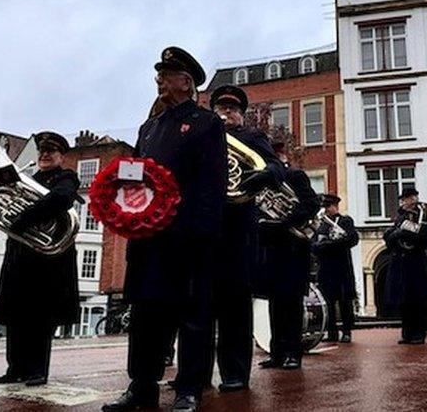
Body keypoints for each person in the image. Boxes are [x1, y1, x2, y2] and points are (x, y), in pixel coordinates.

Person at [102, 47, 227, 412]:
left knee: (191, 314)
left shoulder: (207, 123)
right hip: (148, 237)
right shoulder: (149, 127)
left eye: (166, 74)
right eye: (158, 74)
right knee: (145, 314)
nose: (158, 79)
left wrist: (203, 232)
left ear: (185, 82)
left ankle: (190, 388)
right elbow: (137, 176)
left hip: (187, 236)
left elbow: (212, 183)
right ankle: (141, 386)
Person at [206, 85, 285, 393]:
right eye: (222, 107)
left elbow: (276, 165)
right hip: (206, 224)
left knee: (235, 303)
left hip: (239, 227)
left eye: (233, 108)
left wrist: (267, 173)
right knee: (199, 304)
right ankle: (196, 373)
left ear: (241, 113)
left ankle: (235, 372)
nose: (227, 112)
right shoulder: (204, 137)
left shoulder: (252, 138)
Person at [0, 131, 81, 386]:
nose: (44, 155)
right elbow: (6, 206)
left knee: (41, 317)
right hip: (20, 255)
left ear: (62, 156)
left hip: (46, 260)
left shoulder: (66, 177)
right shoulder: (27, 179)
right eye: (42, 151)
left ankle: (37, 369)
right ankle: (15, 368)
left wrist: (25, 218)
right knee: (15, 315)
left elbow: (60, 198)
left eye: (51, 152)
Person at [258, 143, 320, 369]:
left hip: (294, 246)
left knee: (292, 303)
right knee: (275, 303)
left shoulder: (295, 175)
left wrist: (285, 223)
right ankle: (277, 353)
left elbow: (312, 204)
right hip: (272, 248)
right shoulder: (262, 181)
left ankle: (293, 353)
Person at [383, 189, 427, 345]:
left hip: (415, 262)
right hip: (400, 261)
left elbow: (426, 240)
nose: (403, 202)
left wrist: (406, 233)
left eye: (406, 199)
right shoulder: (400, 217)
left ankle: (419, 333)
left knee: (417, 299)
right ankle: (407, 333)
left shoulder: (424, 216)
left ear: (413, 199)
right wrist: (397, 233)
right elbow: (390, 237)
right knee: (404, 299)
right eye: (403, 200)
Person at [312, 194, 359, 343]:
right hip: (326, 268)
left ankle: (347, 331)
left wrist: (328, 245)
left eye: (328, 207)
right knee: (328, 301)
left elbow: (352, 239)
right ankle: (331, 332)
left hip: (342, 268)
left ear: (335, 206)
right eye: (324, 207)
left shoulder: (345, 221)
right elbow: (313, 244)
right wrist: (322, 246)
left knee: (344, 301)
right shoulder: (322, 226)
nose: (326, 210)